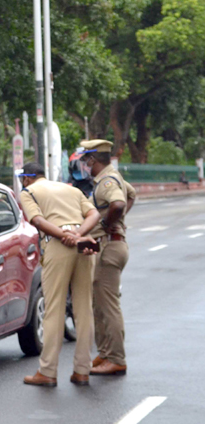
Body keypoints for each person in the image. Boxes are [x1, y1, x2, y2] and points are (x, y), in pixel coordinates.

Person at [18, 162, 101, 387]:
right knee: (84, 307)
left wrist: (66, 236)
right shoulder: (72, 189)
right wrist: (79, 233)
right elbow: (94, 213)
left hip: (58, 244)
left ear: (27, 178)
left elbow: (37, 221)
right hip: (83, 244)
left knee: (53, 308)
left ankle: (47, 371)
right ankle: (83, 370)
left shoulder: (29, 192)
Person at [80, 139, 136, 376]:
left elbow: (119, 203)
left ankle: (116, 359)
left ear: (93, 160)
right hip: (111, 246)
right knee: (99, 305)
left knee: (108, 306)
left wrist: (107, 224)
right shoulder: (113, 177)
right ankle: (104, 353)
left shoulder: (107, 181)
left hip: (109, 248)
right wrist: (117, 223)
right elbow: (132, 194)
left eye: (85, 160)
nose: (84, 165)